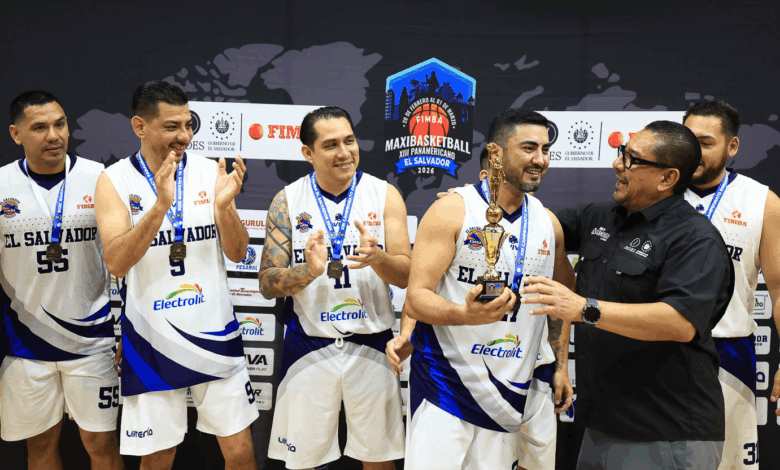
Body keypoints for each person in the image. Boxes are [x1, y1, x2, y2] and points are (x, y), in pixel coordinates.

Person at [531, 121, 734, 469]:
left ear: (667, 178)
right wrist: (474, 205)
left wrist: (585, 309)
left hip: (665, 433)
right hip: (600, 427)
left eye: (632, 159)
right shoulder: (601, 216)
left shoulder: (695, 238)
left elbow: (679, 322)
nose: (617, 164)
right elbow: (536, 224)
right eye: (622, 153)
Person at [94, 81, 258, 470]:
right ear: (140, 126)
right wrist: (160, 206)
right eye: (171, 126)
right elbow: (116, 263)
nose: (184, 135)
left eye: (188, 124)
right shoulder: (114, 179)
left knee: (239, 452)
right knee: (158, 457)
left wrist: (225, 208)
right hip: (151, 340)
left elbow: (238, 252)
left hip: (215, 333)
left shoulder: (210, 171)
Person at [402, 108, 573, 470]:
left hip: (516, 386)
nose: (540, 160)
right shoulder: (452, 210)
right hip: (448, 381)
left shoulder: (548, 223)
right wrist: (464, 314)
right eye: (529, 148)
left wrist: (561, 366)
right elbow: (416, 298)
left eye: (545, 150)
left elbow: (561, 302)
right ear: (495, 153)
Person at [259, 106, 410, 470]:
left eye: (349, 141)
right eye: (331, 145)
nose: (345, 152)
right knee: (303, 461)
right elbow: (266, 283)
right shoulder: (287, 200)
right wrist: (308, 271)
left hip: (372, 343)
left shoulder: (384, 194)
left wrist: (378, 258)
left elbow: (407, 275)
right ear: (308, 153)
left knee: (379, 461)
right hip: (309, 345)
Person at [0, 90, 123, 469]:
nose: (54, 135)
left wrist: (131, 332)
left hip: (92, 342)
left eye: (60, 124)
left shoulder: (100, 178)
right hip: (23, 345)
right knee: (39, 449)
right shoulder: (1, 184)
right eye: (39, 128)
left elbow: (127, 260)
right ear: (16, 134)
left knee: (102, 447)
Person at [682, 101, 780, 469]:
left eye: (706, 143)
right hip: (660, 349)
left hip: (729, 354)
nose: (694, 151)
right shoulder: (655, 192)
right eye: (688, 140)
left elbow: (779, 290)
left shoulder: (762, 202)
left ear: (732, 146)